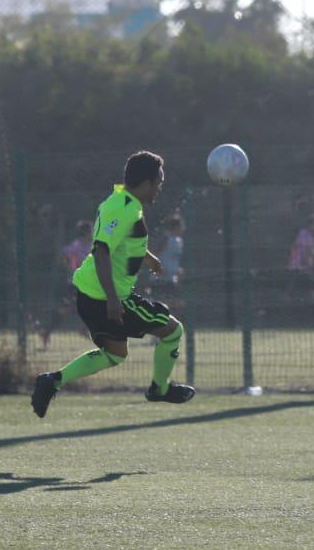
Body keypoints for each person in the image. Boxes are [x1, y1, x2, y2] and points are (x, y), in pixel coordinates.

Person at [30, 151, 194, 419]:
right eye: (159, 182)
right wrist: (114, 301)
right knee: (174, 331)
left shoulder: (122, 200)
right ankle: (160, 389)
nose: (160, 188)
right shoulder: (125, 208)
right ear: (146, 183)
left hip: (89, 294)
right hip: (107, 297)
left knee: (115, 354)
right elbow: (102, 251)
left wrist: (149, 260)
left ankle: (52, 381)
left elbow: (123, 244)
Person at [42, 220, 96, 350]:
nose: (92, 232)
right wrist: (71, 268)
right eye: (90, 230)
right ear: (86, 232)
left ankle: (47, 331)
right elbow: (63, 254)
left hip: (88, 284)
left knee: (68, 309)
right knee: (92, 307)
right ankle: (82, 329)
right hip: (76, 284)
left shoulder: (92, 245)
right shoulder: (77, 246)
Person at [287, 212, 314, 328]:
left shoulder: (307, 235)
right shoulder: (305, 235)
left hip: (300, 269)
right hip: (300, 270)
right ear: (311, 224)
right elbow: (309, 253)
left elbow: (311, 252)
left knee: (312, 294)